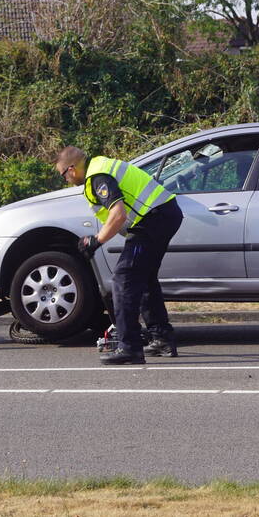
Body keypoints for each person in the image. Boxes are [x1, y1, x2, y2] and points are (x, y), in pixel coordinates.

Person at [55, 146, 184, 365]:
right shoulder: (99, 168)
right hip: (162, 216)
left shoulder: (97, 177)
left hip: (153, 220)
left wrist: (96, 241)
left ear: (72, 168)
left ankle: (130, 347)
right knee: (144, 279)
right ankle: (161, 338)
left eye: (63, 174)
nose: (64, 179)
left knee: (123, 279)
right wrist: (96, 238)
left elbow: (118, 213)